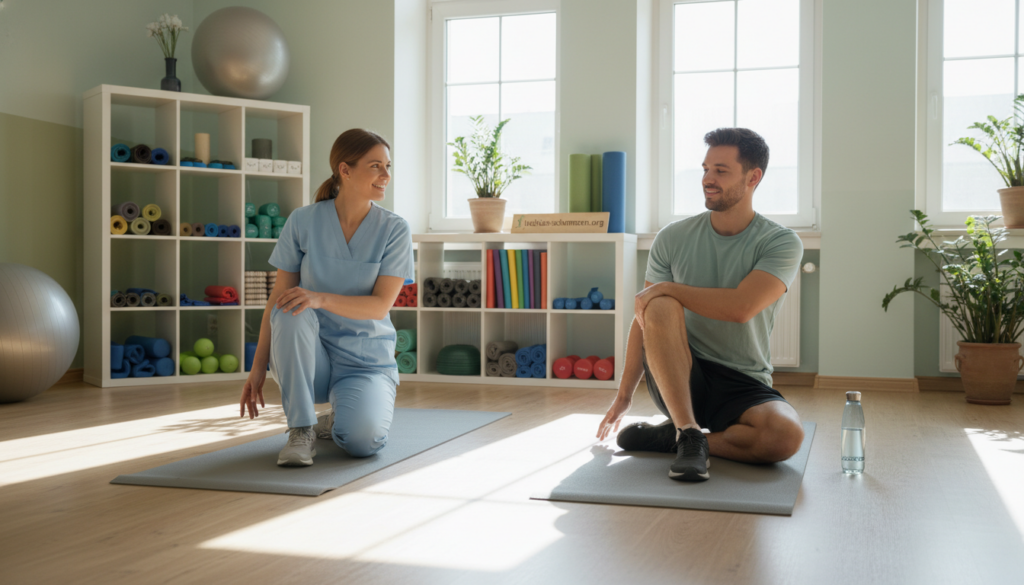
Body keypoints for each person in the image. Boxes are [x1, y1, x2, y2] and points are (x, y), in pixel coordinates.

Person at [596, 128, 804, 482]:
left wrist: (668, 288)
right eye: (706, 169)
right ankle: (689, 430)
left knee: (785, 436)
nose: (708, 179)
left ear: (753, 177)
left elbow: (742, 307)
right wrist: (624, 396)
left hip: (743, 379)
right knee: (658, 304)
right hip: (680, 371)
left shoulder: (781, 242)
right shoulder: (672, 237)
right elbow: (644, 317)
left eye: (721, 171)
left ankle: (676, 438)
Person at [240, 129, 414, 467]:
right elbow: (277, 298)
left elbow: (380, 306)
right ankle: (301, 430)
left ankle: (334, 421)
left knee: (364, 442)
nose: (385, 176)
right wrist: (257, 367)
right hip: (309, 358)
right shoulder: (303, 221)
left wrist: (320, 298)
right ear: (345, 170)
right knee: (290, 306)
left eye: (388, 166)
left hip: (364, 361)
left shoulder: (395, 229)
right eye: (375, 166)